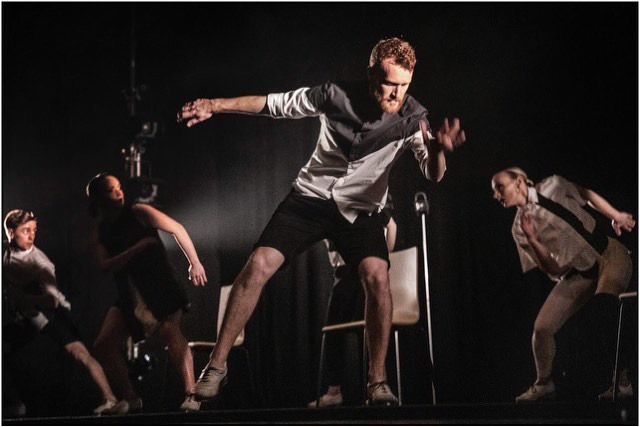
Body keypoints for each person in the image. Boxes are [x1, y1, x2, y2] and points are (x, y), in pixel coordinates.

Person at [178, 37, 465, 406]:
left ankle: (377, 382)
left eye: (403, 85)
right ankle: (216, 366)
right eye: (388, 83)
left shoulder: (413, 118)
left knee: (378, 276)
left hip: (361, 211)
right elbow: (273, 105)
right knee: (258, 265)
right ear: (370, 75)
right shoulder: (332, 95)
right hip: (310, 199)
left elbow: (433, 173)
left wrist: (440, 150)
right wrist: (213, 105)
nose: (395, 94)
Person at [491, 167, 634, 402]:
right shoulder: (518, 229)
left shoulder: (553, 185)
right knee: (542, 329)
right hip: (580, 273)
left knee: (603, 309)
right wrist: (534, 239)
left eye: (500, 187)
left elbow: (586, 194)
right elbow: (554, 270)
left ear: (518, 183)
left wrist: (615, 216)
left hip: (608, 255)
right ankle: (544, 384)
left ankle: (623, 382)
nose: (497, 195)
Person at [85, 173, 208, 412]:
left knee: (170, 331)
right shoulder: (100, 231)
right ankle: (130, 397)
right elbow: (104, 266)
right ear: (99, 199)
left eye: (119, 187)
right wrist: (136, 248)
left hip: (160, 285)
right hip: (131, 293)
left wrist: (195, 262)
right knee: (104, 343)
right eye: (112, 190)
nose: (119, 192)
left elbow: (177, 228)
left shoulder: (139, 212)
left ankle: (192, 394)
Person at [2, 209, 128, 416]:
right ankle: (12, 402)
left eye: (34, 230)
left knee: (80, 354)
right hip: (29, 317)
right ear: (10, 232)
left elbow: (51, 300)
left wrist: (21, 298)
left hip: (52, 314)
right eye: (26, 230)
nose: (32, 235)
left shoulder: (40, 263)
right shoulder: (5, 251)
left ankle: (111, 400)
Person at [309, 204, 397, 408]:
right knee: (333, 332)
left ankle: (376, 384)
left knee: (368, 330)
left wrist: (383, 259)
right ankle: (334, 392)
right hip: (341, 273)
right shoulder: (328, 202)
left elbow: (391, 225)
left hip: (359, 271)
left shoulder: (365, 199)